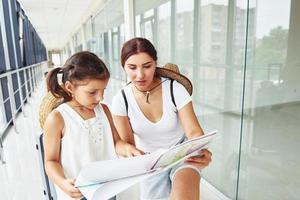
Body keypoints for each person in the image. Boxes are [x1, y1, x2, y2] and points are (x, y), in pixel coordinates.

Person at [111, 38, 212, 200]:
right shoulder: (121, 100)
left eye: (147, 66)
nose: (140, 75)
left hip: (182, 153)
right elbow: (127, 143)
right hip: (151, 162)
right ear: (123, 66)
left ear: (155, 63)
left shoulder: (175, 89)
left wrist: (200, 148)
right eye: (132, 67)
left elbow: (194, 131)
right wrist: (132, 154)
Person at [43, 51, 143, 200]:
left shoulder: (104, 110)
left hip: (106, 189)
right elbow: (51, 161)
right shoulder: (58, 118)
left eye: (103, 90)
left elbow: (116, 142)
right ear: (70, 87)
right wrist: (63, 183)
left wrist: (129, 149)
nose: (100, 97)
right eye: (92, 92)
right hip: (78, 193)